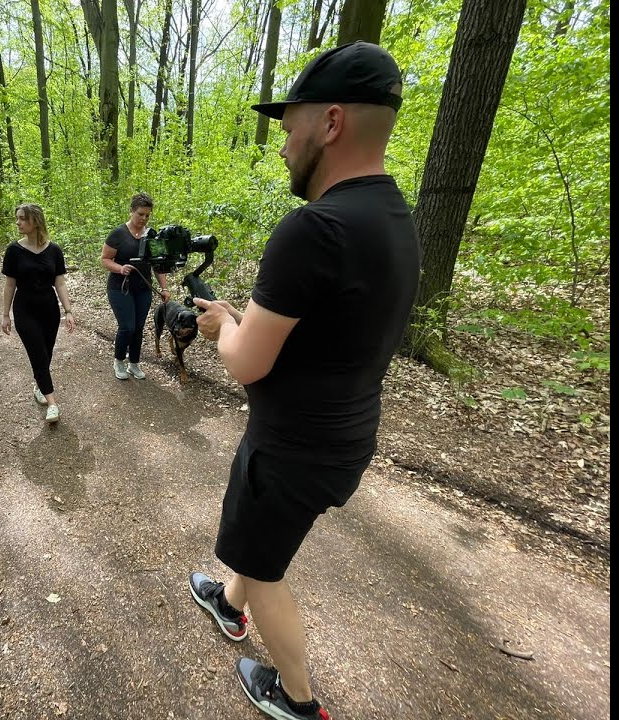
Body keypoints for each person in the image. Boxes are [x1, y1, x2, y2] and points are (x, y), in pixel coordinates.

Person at [185, 42, 421, 720]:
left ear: (333, 122)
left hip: (289, 450)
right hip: (344, 437)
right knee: (258, 543)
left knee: (265, 569)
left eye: (290, 129)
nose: (283, 147)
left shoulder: (313, 229)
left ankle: (297, 698)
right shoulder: (396, 218)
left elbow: (244, 362)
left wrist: (223, 322)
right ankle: (227, 605)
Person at [1, 203, 76, 422]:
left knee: (46, 353)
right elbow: (9, 284)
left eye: (22, 218)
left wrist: (68, 311)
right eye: (17, 218)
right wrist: (5, 314)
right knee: (37, 353)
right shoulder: (13, 250)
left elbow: (60, 283)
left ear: (36, 221)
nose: (18, 222)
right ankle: (52, 403)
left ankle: (39, 385)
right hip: (25, 310)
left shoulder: (54, 250)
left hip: (49, 309)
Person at [100, 192, 171, 380]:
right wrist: (120, 268)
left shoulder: (152, 235)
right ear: (131, 211)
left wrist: (164, 288)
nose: (144, 218)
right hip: (119, 288)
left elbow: (159, 265)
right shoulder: (118, 234)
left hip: (143, 289)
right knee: (127, 327)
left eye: (147, 215)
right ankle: (119, 361)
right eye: (140, 214)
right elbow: (105, 259)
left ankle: (134, 363)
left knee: (138, 327)